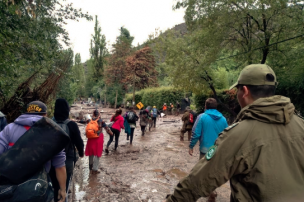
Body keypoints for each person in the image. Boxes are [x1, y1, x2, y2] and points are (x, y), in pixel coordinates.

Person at [164, 64, 304, 202]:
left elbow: (200, 179)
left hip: (206, 149)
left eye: (237, 90)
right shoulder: (301, 124)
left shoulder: (239, 134)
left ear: (245, 91)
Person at [0, 101, 67, 202]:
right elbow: (60, 166)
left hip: (10, 188)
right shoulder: (52, 133)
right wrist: (62, 189)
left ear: (26, 112)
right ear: (45, 115)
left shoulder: (9, 129)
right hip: (38, 188)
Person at [50, 98, 84, 202]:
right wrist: (81, 153)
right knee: (64, 185)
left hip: (51, 159)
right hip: (67, 159)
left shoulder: (49, 123)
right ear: (67, 110)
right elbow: (79, 142)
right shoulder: (71, 125)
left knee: (53, 184)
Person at [85, 110, 112, 174]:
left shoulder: (89, 120)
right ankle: (95, 169)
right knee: (97, 153)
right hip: (98, 138)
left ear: (93, 114)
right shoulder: (100, 121)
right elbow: (107, 128)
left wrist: (73, 120)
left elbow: (82, 121)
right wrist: (111, 133)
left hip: (90, 138)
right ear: (99, 114)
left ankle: (90, 167)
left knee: (91, 152)